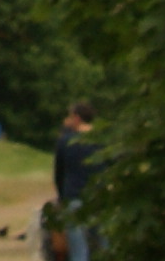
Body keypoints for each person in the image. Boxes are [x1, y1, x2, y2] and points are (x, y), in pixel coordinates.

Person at [52, 102, 102, 261]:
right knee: (104, 245)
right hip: (99, 198)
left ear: (76, 118)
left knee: (79, 251)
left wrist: (61, 198)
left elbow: (58, 174)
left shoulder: (65, 142)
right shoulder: (102, 141)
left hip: (73, 198)